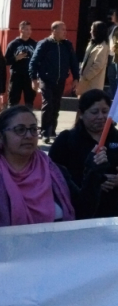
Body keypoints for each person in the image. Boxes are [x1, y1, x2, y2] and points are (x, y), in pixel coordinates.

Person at [0, 104, 104, 228]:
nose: (29, 136)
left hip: (58, 252)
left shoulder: (55, 173)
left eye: (33, 129)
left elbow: (82, 213)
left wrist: (93, 172)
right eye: (20, 130)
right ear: (0, 137)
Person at [49, 89, 118, 218]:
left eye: (105, 112)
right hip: (79, 211)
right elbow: (54, 175)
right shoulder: (66, 140)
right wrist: (93, 181)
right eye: (94, 112)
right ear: (81, 114)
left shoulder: (116, 138)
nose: (101, 117)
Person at [30, 21, 78, 142]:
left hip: (60, 80)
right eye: (63, 29)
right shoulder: (45, 44)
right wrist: (33, 79)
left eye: (66, 29)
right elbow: (33, 62)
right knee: (48, 104)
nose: (65, 32)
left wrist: (76, 78)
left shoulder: (67, 45)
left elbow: (73, 62)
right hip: (46, 80)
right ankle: (45, 132)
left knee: (56, 105)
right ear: (54, 31)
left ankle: (52, 130)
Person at [4, 21, 37, 107]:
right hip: (16, 75)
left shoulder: (34, 44)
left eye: (30, 29)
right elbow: (5, 61)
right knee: (13, 99)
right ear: (21, 30)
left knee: (29, 100)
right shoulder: (13, 44)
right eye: (27, 29)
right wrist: (16, 58)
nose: (29, 32)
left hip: (29, 75)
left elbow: (38, 60)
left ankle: (28, 115)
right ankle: (12, 114)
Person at [78, 21, 110, 96]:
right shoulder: (92, 43)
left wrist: (86, 76)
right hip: (84, 80)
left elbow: (98, 65)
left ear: (97, 31)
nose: (90, 32)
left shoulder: (103, 46)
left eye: (92, 30)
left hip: (92, 82)